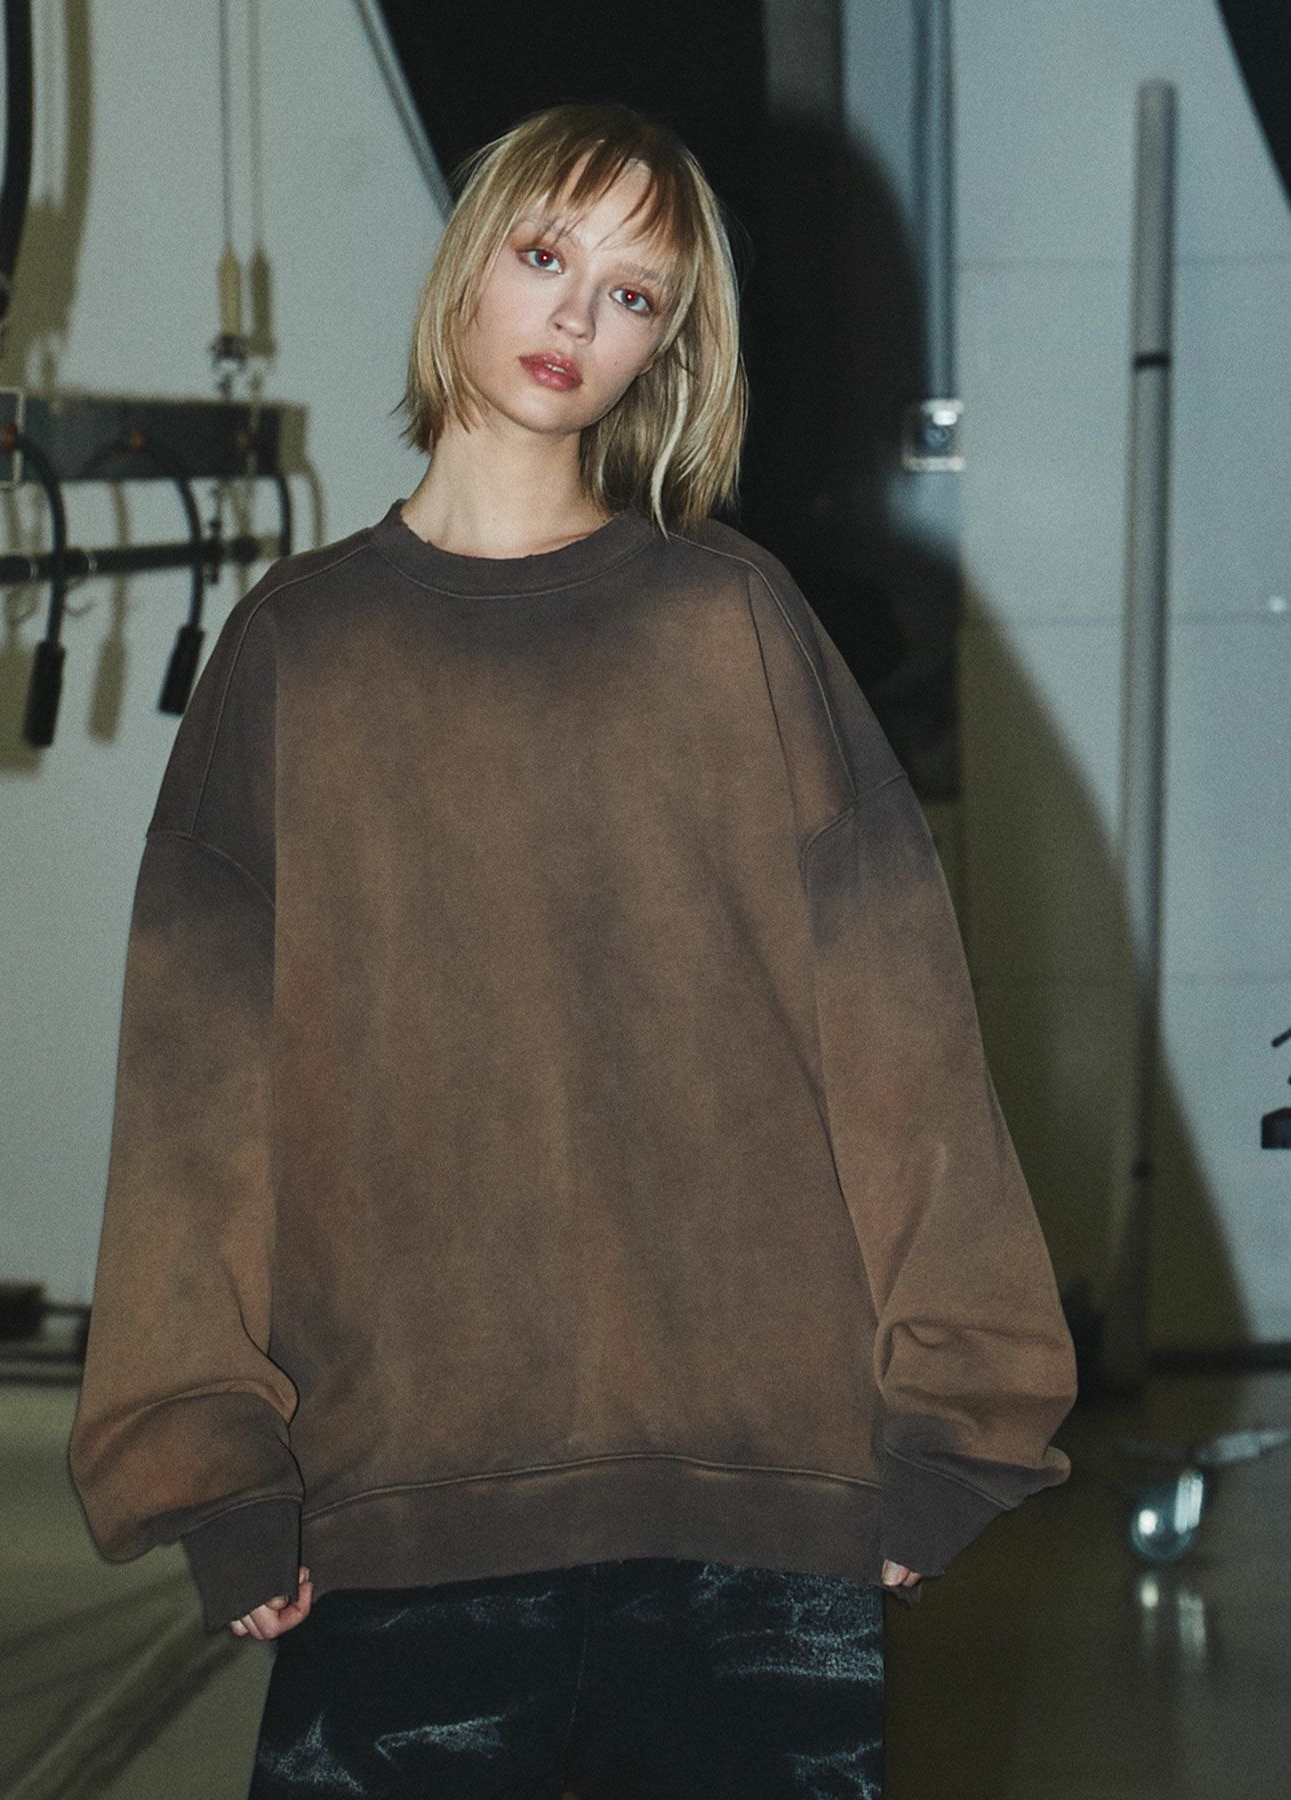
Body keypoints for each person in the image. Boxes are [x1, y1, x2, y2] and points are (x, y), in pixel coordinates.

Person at [69, 102, 1077, 1797]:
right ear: (469, 265)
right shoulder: (300, 650)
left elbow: (905, 1047)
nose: (576, 319)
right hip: (399, 1509)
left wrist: (955, 1431)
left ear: (666, 347)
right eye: (547, 256)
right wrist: (211, 1465)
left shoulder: (730, 621)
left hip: (750, 1525)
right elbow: (194, 1101)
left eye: (633, 295)